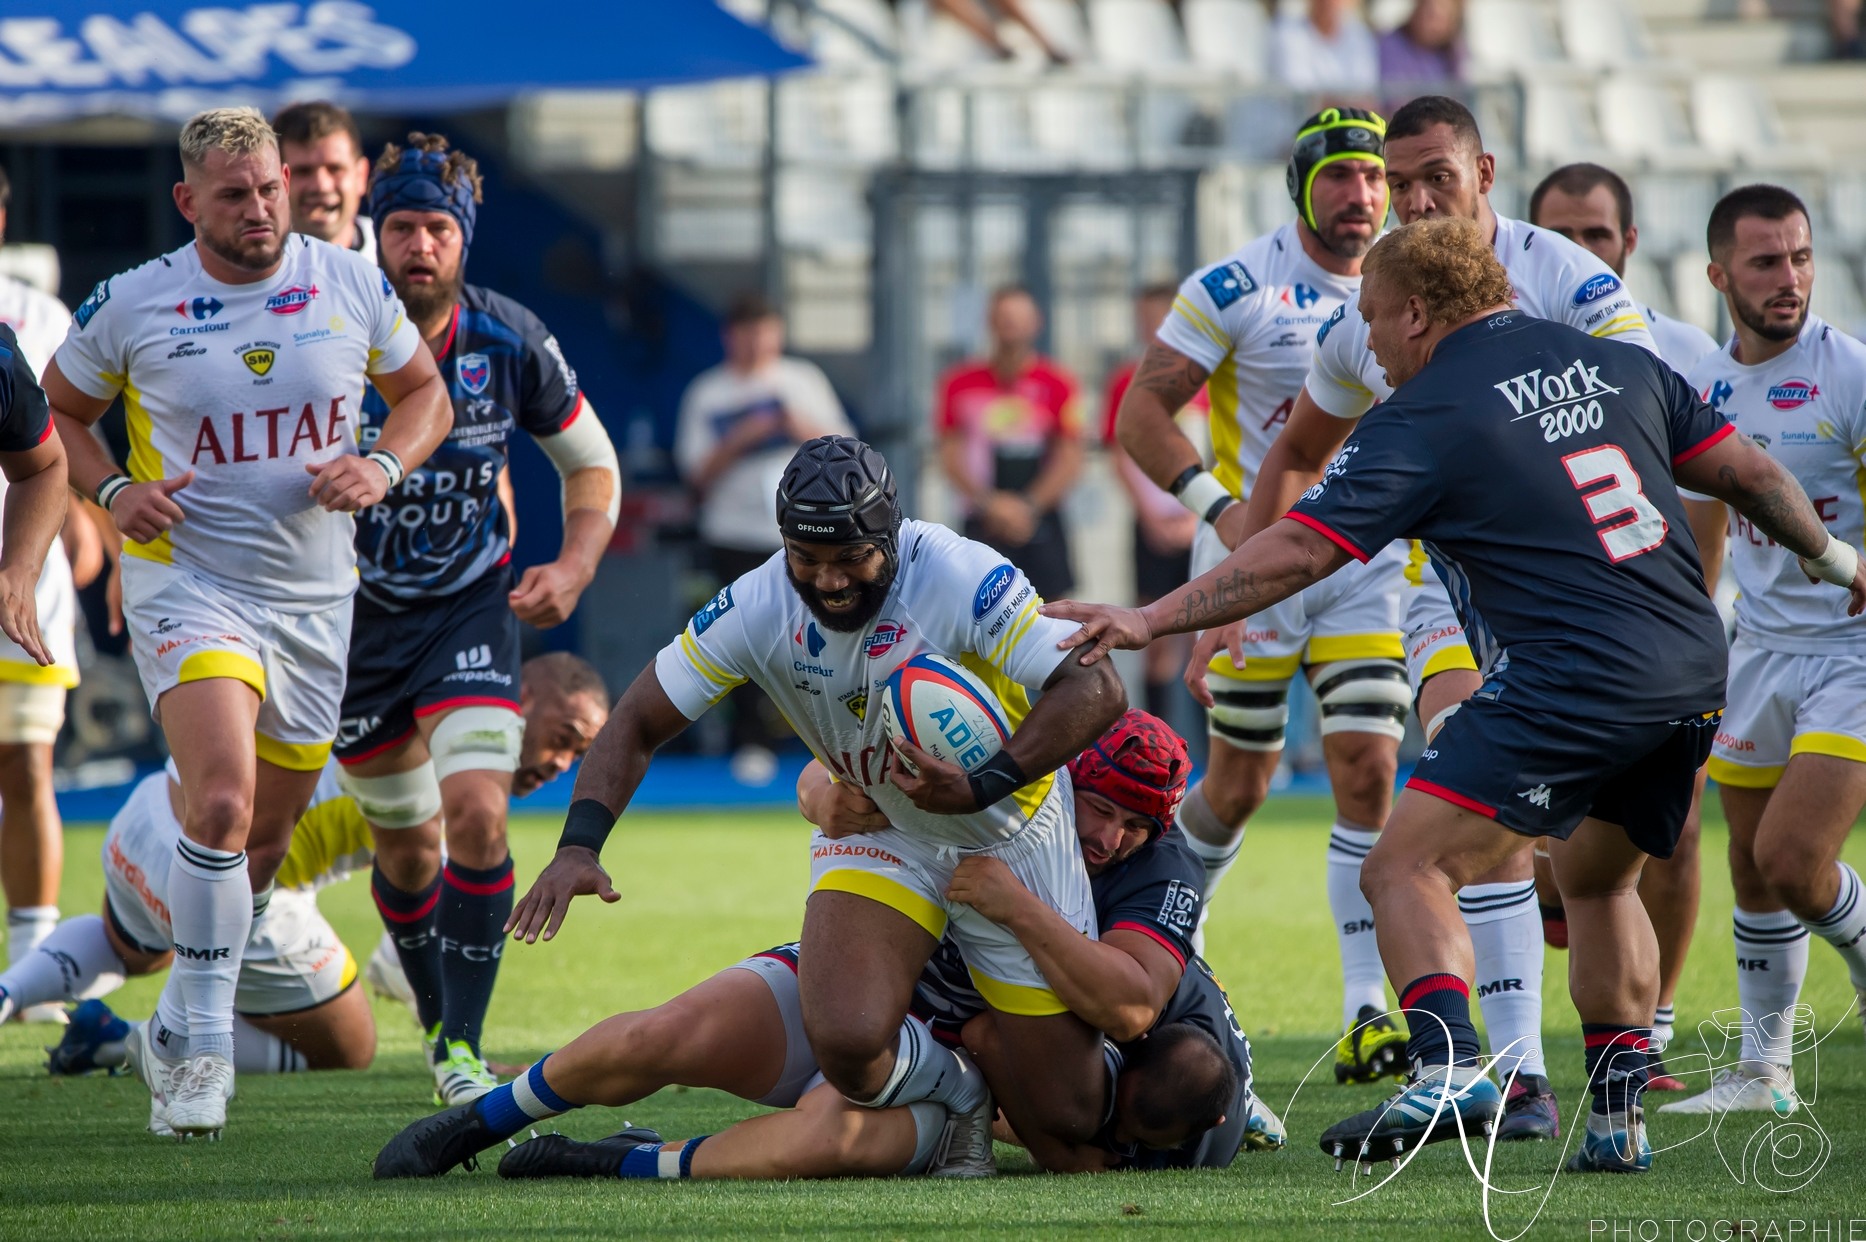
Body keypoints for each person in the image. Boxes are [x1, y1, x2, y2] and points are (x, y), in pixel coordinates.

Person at [1045, 215, 1864, 1175]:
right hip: (1689, 660)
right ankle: (1615, 1122)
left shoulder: (1427, 410)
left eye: (1372, 320)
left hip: (1572, 669)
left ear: (1419, 313)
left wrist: (1151, 617)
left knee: (1402, 867)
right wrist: (1843, 561)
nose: (1370, 347)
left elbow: (1303, 547)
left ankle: (1450, 1064)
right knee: (1599, 880)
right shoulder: (1613, 359)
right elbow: (1753, 474)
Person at [506, 436, 1127, 1173]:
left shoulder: (961, 575)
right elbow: (637, 719)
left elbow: (1098, 688)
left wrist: (980, 782)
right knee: (848, 1041)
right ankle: (957, 1091)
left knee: (1068, 1120)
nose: (829, 580)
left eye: (851, 559)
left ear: (890, 536)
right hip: (881, 822)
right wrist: (580, 844)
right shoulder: (759, 601)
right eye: (807, 558)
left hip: (1010, 829)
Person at [1234, 95, 1667, 1139]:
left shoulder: (1567, 280)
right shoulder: (1370, 314)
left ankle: (1591, 1076)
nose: (1414, 199)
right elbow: (1295, 453)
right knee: (1469, 785)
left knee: (1599, 863)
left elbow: (1652, 406)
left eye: (1437, 176)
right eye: (1400, 179)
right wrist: (1233, 587)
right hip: (1445, 581)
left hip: (1589, 589)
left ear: (1484, 173)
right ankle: (1511, 1077)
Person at [42, 106, 452, 1140]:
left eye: (270, 187)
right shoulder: (136, 303)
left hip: (316, 601)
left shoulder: (349, 279)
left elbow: (424, 396)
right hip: (189, 586)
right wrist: (110, 492)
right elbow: (54, 415)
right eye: (236, 194)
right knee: (219, 804)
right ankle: (205, 1058)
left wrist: (385, 462)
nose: (264, 207)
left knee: (262, 844)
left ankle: (175, 1022)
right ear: (189, 202)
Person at [374, 709, 1271, 1179]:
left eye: (1131, 821)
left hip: (973, 1064)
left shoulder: (1158, 870)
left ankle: (616, 1162)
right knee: (669, 1032)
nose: (1108, 835)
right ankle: (476, 1119)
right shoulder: (1004, 772)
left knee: (831, 1136)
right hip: (894, 994)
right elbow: (844, 764)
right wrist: (820, 792)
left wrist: (1014, 905)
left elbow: (1128, 1010)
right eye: (1098, 809)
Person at [1114, 108, 1428, 1101]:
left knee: (1369, 767)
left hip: (1370, 567)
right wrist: (1218, 516)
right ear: (1302, 188)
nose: (1361, 195)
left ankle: (1365, 1008)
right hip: (1262, 561)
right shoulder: (1238, 284)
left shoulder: (1418, 283)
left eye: (1375, 178)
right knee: (1239, 788)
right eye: (1340, 178)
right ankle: (1175, 952)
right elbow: (1140, 411)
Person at [333, 132, 620, 1107]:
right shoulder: (316, 336)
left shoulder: (509, 339)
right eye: (403, 226)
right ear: (376, 234)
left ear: (464, 243)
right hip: (348, 632)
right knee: (407, 850)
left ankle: (461, 1045)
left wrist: (575, 565)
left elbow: (593, 465)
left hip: (467, 612)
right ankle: (432, 1019)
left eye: (438, 230)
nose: (420, 245)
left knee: (478, 815)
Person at [0, 654, 610, 1105]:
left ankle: (11, 992)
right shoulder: (462, 771)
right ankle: (133, 1041)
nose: (560, 764)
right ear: (520, 693)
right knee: (348, 1046)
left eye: (575, 757)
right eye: (563, 739)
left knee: (128, 949)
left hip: (148, 818)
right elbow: (400, 962)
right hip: (236, 880)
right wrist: (456, 1043)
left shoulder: (401, 682)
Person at [1657, 186, 1866, 1118]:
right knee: (1750, 864)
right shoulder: (1703, 389)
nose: (1790, 279)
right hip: (1759, 650)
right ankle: (1763, 1072)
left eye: (1800, 257)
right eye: (1765, 262)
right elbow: (1704, 532)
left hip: (1852, 653)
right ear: (1717, 276)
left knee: (1791, 859)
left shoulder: (1851, 374)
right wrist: (1689, 636)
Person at [1527, 160, 1721, 1086]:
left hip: (1661, 637)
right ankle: (1516, 1049)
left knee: (1673, 836)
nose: (1576, 253)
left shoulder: (1677, 353)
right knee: (1518, 836)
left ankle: (1656, 1030)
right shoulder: (1503, 355)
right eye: (1557, 235)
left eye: (1595, 236)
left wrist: (1696, 648)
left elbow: (1711, 509)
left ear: (1628, 246)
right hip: (1535, 640)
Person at [673, 291, 853, 785]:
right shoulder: (707, 392)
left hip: (804, 536)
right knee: (744, 638)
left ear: (777, 333)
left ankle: (836, 741)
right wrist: (740, 439)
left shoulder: (803, 380)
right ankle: (749, 741)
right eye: (744, 333)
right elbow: (694, 475)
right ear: (728, 337)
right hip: (733, 533)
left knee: (824, 634)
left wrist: (796, 425)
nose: (755, 343)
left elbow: (848, 452)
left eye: (764, 331)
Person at [0, 165, 86, 1024]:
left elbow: (56, 444)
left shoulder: (27, 319)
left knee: (26, 762)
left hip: (23, 590)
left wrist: (74, 532)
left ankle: (30, 964)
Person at [937, 286, 1086, 604]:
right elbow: (950, 455)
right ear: (990, 322)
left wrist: (1028, 507)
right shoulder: (958, 383)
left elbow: (1070, 456)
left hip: (1042, 517)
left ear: (1037, 323)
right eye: (1004, 319)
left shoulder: (1058, 383)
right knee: (976, 611)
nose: (1011, 328)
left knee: (1054, 615)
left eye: (1019, 319)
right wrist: (991, 504)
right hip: (981, 518)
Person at [1102, 284, 1205, 719]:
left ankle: (1217, 751)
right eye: (1143, 316)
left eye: (1159, 315)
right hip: (1153, 526)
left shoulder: (1209, 376)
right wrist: (1151, 515)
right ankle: (1158, 742)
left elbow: (1221, 452)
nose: (1150, 325)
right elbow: (1118, 454)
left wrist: (1201, 514)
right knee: (1156, 638)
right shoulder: (1126, 379)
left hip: (1202, 523)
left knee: (1206, 635)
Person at [272, 101, 376, 263]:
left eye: (335, 169)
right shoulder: (245, 267)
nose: (321, 186)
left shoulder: (397, 254)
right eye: (303, 171)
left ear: (361, 176)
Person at [1273, 0, 1380, 93]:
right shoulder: (1288, 33)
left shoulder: (1360, 35)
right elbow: (1300, 92)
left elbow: (1364, 89)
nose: (1327, 2)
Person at [1377, 0, 1464, 89]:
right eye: (1429, 13)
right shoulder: (1391, 45)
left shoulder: (1452, 55)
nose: (1431, 23)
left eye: (1440, 18)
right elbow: (1394, 96)